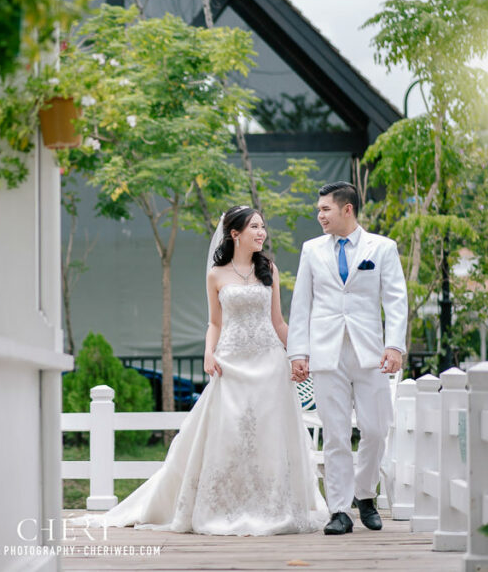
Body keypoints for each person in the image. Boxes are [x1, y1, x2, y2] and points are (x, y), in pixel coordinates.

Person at [72, 205, 327, 536]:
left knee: (268, 435)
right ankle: (227, 504)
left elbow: (278, 321)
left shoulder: (270, 270)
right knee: (231, 434)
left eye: (263, 227)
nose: (262, 233)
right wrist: (209, 352)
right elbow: (215, 322)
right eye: (255, 227)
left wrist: (299, 355)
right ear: (235, 233)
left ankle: (272, 504)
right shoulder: (216, 274)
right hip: (232, 362)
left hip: (269, 363)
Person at [287, 181, 408, 535]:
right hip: (326, 353)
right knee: (337, 434)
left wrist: (395, 345)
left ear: (347, 209)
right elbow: (301, 304)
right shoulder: (311, 250)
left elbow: (396, 300)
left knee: (375, 429)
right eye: (319, 209)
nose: (319, 215)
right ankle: (339, 510)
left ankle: (366, 496)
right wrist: (298, 352)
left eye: (325, 209)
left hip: (370, 352)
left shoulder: (382, 248)